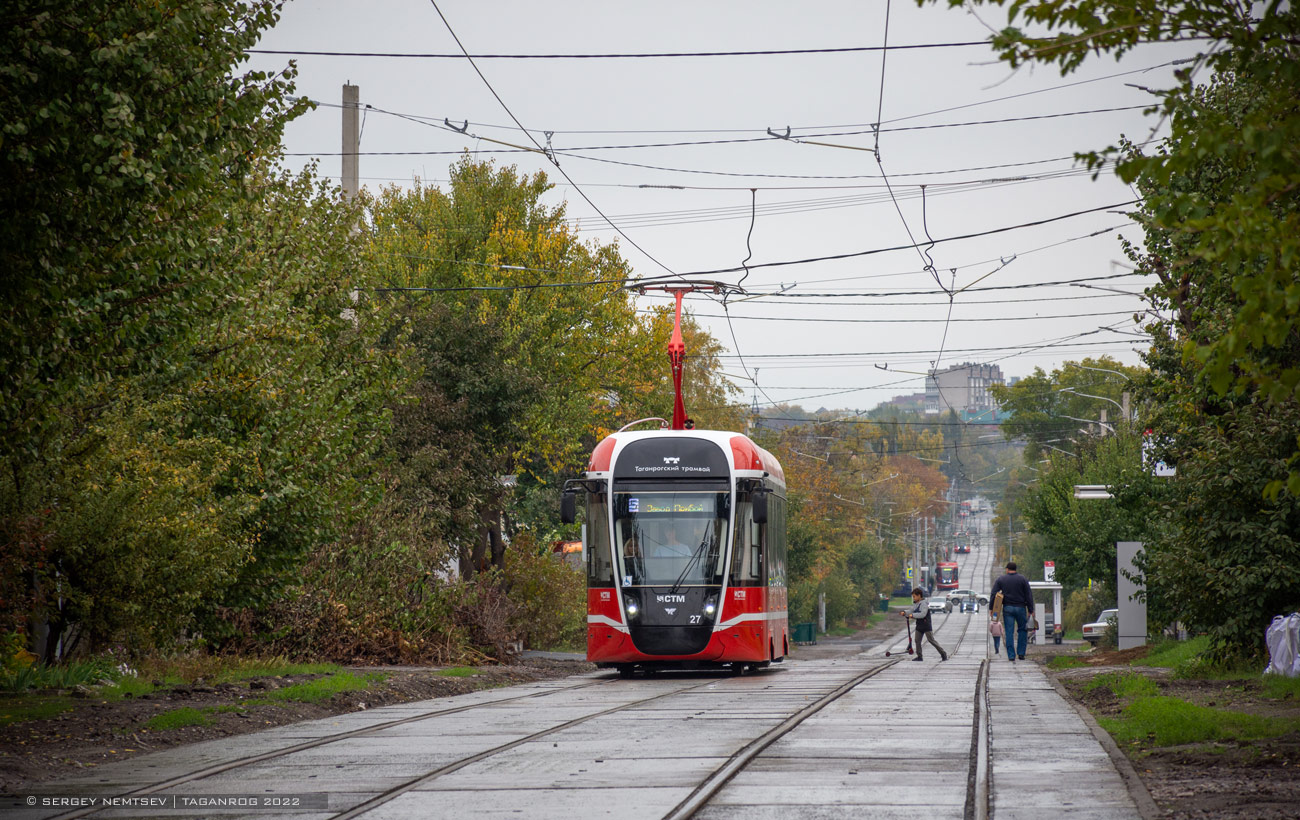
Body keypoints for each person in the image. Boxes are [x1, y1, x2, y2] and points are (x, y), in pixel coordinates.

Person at [990, 561, 1035, 661]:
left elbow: (994, 594)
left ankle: (1011, 655)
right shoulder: (1023, 579)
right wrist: (1031, 610)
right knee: (1022, 630)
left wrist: (991, 608)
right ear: (1015, 569)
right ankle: (1021, 653)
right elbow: (1029, 595)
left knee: (1009, 632)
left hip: (1008, 608)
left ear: (1007, 569)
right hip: (1021, 608)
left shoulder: (1001, 579)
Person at [901, 587, 948, 662]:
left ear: (919, 596)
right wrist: (905, 612)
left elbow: (922, 614)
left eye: (914, 596)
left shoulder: (924, 604)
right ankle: (919, 656)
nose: (913, 598)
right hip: (919, 626)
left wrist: (912, 615)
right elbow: (911, 610)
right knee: (917, 640)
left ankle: (943, 653)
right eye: (913, 597)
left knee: (931, 640)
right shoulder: (916, 604)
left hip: (926, 625)